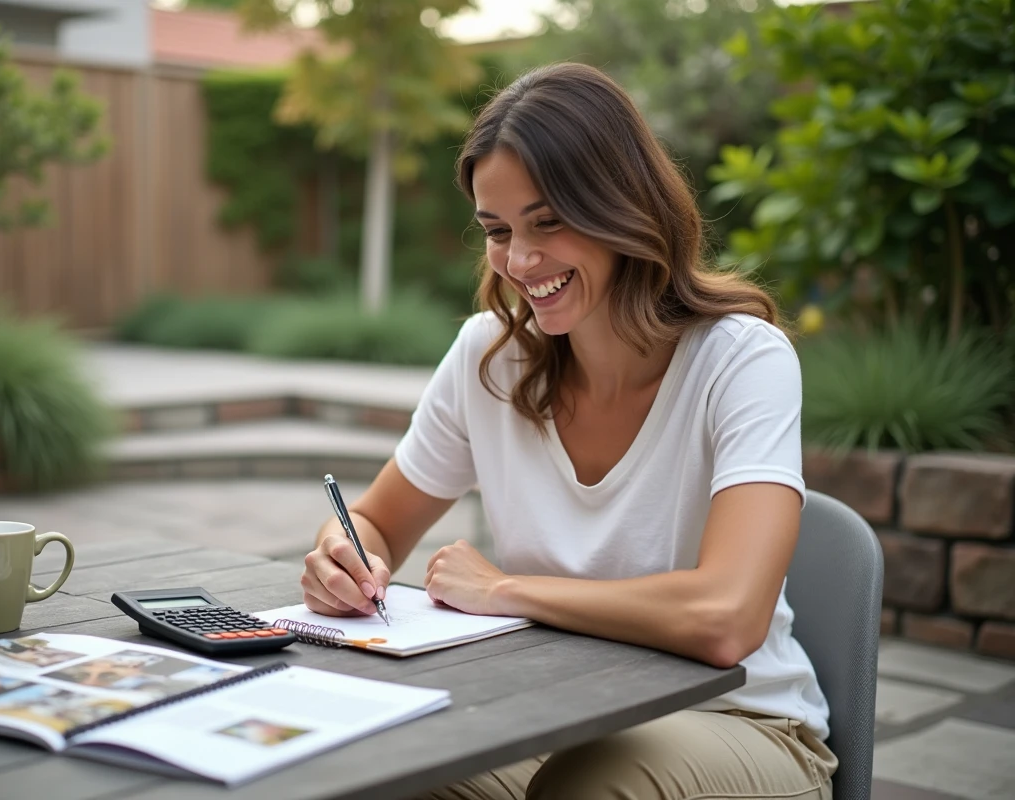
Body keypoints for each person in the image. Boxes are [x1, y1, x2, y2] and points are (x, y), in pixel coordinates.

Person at [299, 62, 837, 800]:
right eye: (498, 230)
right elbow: (375, 523)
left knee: (588, 786)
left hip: (738, 722)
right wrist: (341, 556)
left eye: (548, 222)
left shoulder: (742, 360)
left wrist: (508, 589)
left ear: (623, 207)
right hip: (556, 717)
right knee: (379, 761)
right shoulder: (487, 357)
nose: (520, 260)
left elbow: (726, 618)